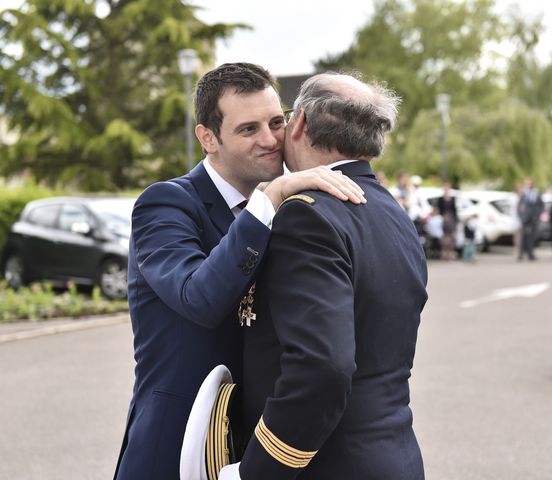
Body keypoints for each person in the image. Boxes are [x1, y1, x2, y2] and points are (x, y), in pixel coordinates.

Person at [113, 63, 365, 480]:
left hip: (257, 449)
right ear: (208, 138)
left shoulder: (296, 209)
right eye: (249, 129)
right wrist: (268, 200)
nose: (270, 140)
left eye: (276, 122)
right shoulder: (166, 205)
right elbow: (200, 298)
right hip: (175, 447)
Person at [221, 72, 428, 480]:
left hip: (329, 465)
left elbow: (323, 369)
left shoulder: (307, 213)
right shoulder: (390, 211)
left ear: (298, 123)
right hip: (395, 456)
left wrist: (256, 471)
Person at [517, 177, 544, 261]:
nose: (529, 185)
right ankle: (521, 253)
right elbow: (519, 206)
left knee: (532, 236)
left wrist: (538, 214)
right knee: (523, 236)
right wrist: (521, 215)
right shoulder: (523, 193)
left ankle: (530, 253)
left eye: (530, 183)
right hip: (525, 217)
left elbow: (541, 205)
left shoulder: (537, 193)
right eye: (527, 183)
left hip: (534, 217)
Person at [437, 182, 458, 260]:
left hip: (451, 218)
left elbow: (455, 210)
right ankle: (444, 252)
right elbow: (439, 209)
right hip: (444, 219)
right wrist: (442, 216)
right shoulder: (440, 199)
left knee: (451, 236)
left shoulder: (452, 199)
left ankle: (451, 253)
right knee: (445, 237)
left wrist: (455, 220)